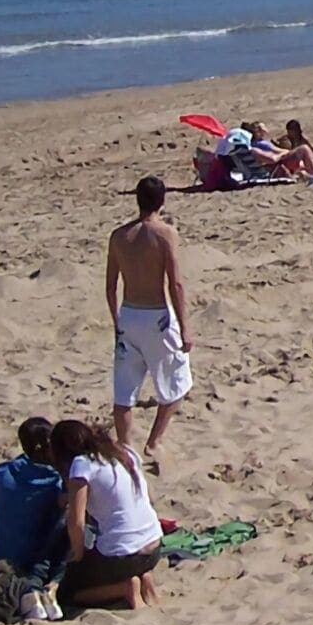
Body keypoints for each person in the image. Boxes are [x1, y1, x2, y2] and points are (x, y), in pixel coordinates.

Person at [106, 176, 193, 469]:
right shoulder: (165, 233)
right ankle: (154, 441)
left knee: (124, 391)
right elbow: (175, 283)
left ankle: (127, 448)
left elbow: (110, 285)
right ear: (162, 200)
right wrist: (185, 325)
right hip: (156, 314)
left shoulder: (119, 236)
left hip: (129, 312)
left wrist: (116, 320)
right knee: (176, 383)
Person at [0, 416, 67, 619]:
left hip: (1, 555)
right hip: (37, 557)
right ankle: (43, 589)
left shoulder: (2, 472)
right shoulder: (57, 481)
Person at [53, 420, 163, 611]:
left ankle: (125, 589)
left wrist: (78, 555)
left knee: (68, 592)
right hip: (154, 545)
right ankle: (145, 578)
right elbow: (148, 497)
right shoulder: (123, 452)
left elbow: (76, 522)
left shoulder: (81, 464)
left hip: (125, 555)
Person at [275, 118, 313, 185]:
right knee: (304, 170)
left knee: (312, 167)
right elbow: (288, 156)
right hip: (289, 165)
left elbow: (311, 146)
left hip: (298, 162)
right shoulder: (286, 140)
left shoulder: (301, 137)